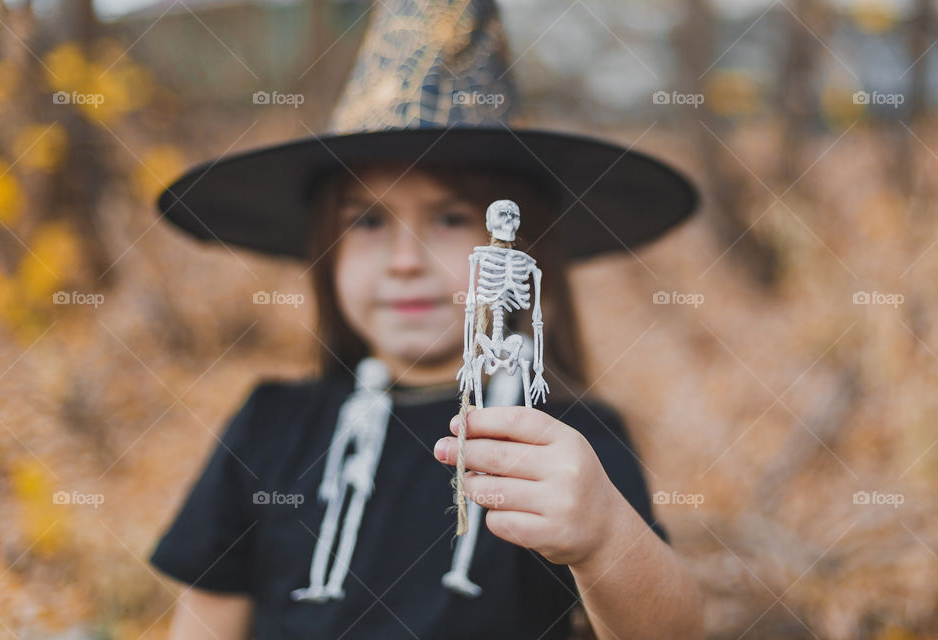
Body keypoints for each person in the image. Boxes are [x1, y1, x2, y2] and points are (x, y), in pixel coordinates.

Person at [148, 1, 703, 638]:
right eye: (367, 221)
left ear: (523, 243)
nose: (405, 262)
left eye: (450, 218)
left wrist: (606, 536)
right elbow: (206, 622)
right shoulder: (270, 427)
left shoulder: (565, 444)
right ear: (324, 248)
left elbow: (672, 630)